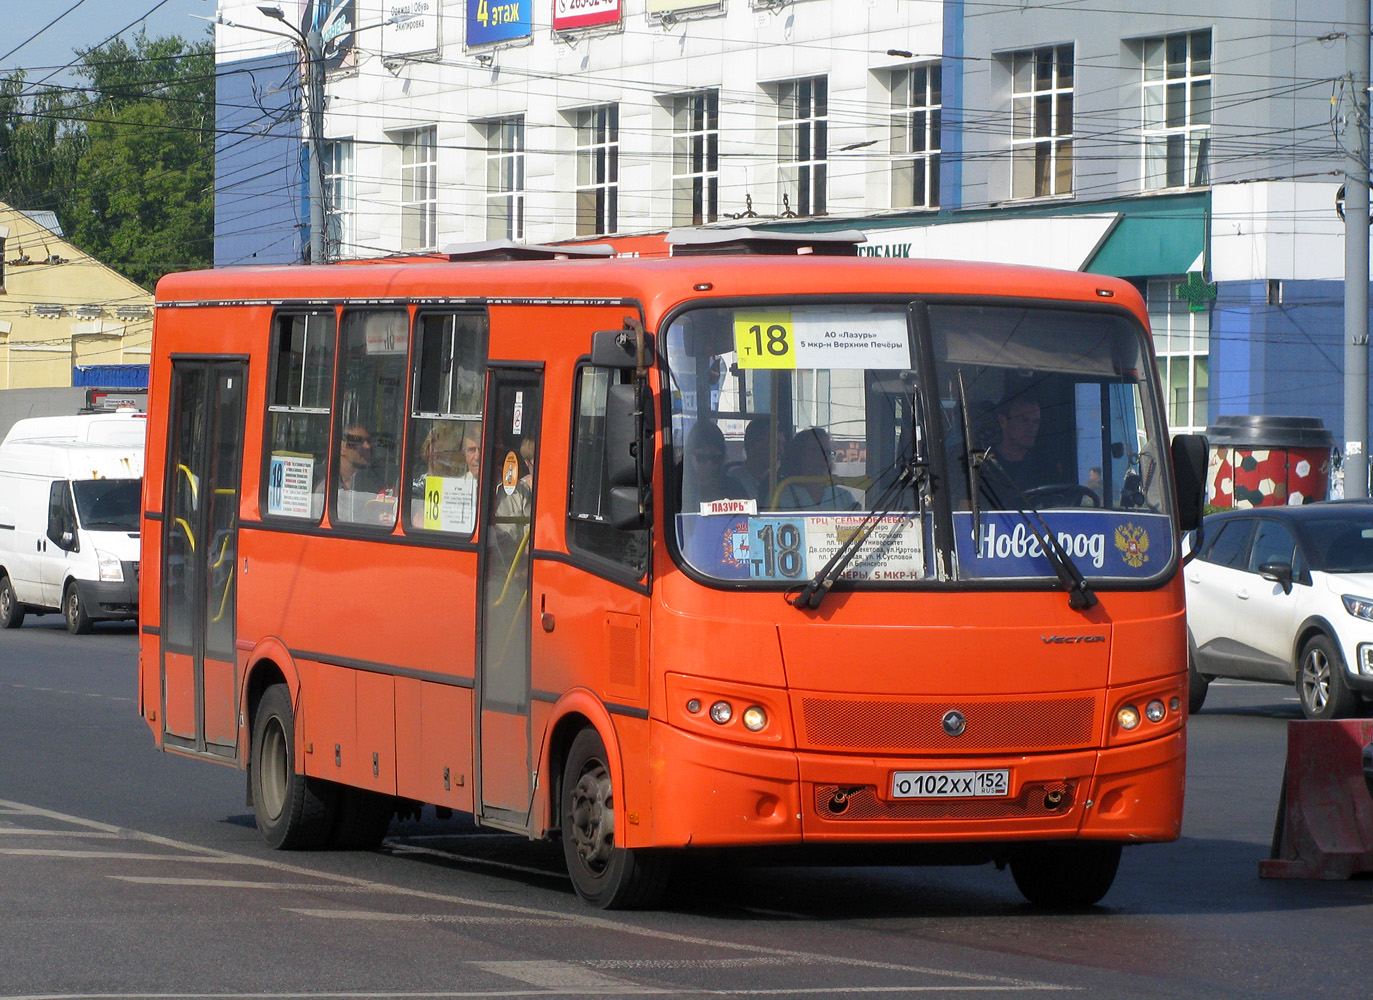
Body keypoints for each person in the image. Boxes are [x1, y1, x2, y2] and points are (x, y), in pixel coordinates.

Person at [772, 427, 859, 511]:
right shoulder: (780, 495)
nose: (823, 457)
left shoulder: (844, 497)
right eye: (815, 451)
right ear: (799, 455)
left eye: (828, 452)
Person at [681, 422, 747, 510]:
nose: (709, 464)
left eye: (715, 458)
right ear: (689, 457)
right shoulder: (679, 489)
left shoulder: (734, 489)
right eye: (701, 458)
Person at [336, 423, 390, 523]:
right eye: (359, 441)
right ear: (342, 448)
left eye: (369, 441)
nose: (368, 446)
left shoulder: (378, 485)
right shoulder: (326, 488)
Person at [732, 417, 785, 503]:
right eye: (775, 443)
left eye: (782, 444)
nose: (781, 451)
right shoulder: (731, 484)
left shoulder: (781, 484)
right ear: (754, 445)